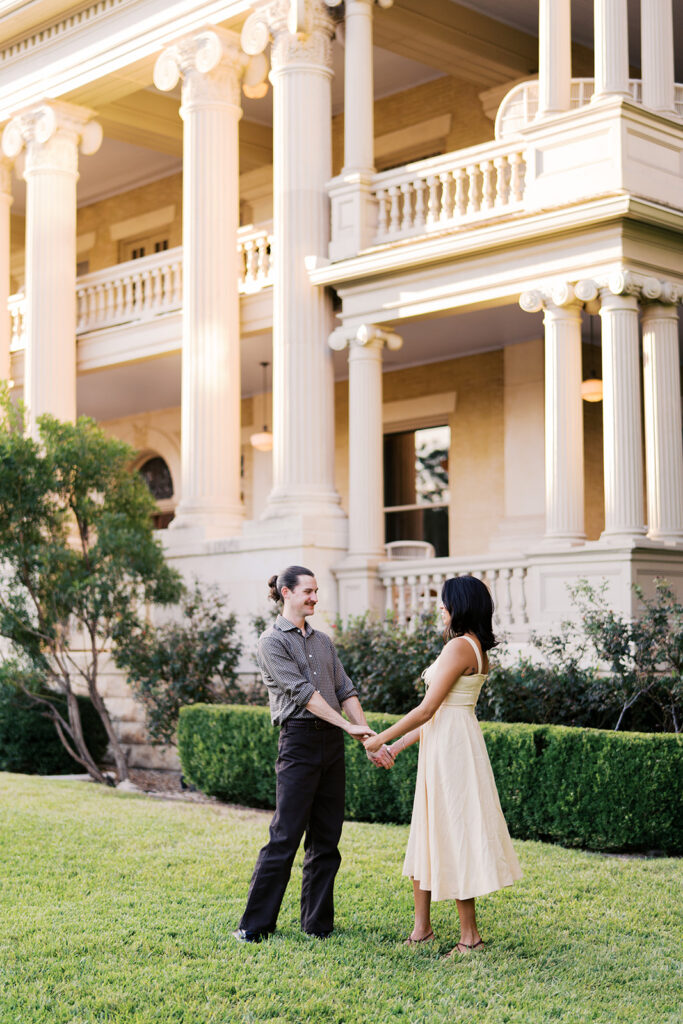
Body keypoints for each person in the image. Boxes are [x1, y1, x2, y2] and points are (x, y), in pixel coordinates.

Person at [234, 565, 394, 943]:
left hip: (331, 744)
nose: (315, 598)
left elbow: (345, 689)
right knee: (285, 835)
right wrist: (347, 726)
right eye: (308, 591)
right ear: (286, 593)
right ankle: (254, 925)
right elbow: (304, 694)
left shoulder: (322, 641)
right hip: (300, 742)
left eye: (317, 591)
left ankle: (317, 925)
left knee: (327, 837)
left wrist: (366, 735)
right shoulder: (271, 641)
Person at [364, 575, 522, 956]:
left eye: (445, 600)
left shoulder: (459, 648)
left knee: (453, 832)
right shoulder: (475, 648)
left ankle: (471, 938)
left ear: (461, 606)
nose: (440, 607)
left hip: (452, 750)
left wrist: (379, 738)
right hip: (447, 742)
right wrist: (399, 745)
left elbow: (427, 709)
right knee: (429, 828)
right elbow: (442, 713)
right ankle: (422, 930)